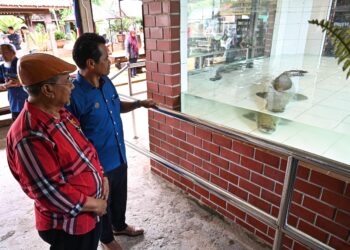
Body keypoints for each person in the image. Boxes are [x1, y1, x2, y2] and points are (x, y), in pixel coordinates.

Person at [6, 53, 109, 250]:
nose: (72, 86)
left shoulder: (60, 113)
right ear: (47, 90)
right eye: (67, 81)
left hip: (87, 214)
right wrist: (96, 205)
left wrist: (101, 176)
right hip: (68, 225)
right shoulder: (29, 135)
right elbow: (50, 192)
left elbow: (86, 150)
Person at [68, 33, 156, 250]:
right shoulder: (73, 95)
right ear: (91, 63)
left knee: (119, 198)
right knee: (102, 204)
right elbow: (71, 138)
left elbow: (117, 106)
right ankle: (106, 239)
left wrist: (139, 103)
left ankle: (120, 225)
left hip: (118, 155)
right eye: (106, 58)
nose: (110, 61)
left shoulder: (106, 82)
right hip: (96, 167)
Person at [0, 43, 28, 120]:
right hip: (13, 104)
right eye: (1, 53)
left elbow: (29, 80)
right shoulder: (2, 67)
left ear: (13, 52)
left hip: (26, 101)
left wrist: (8, 84)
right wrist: (6, 84)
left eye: (5, 52)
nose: (3, 56)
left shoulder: (22, 64)